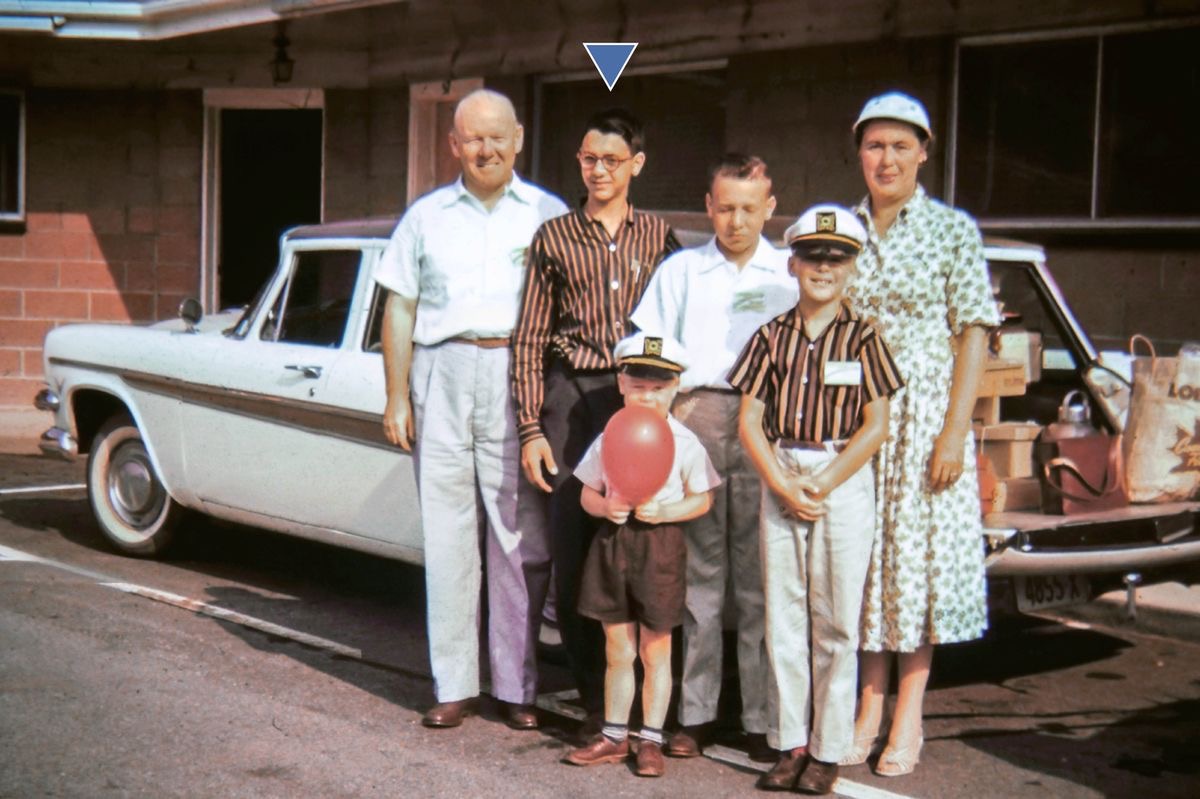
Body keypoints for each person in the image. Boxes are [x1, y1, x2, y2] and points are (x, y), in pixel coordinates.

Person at [376, 88, 568, 731]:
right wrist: (397, 395)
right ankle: (454, 684)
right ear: (453, 145)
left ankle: (517, 688)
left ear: (518, 139)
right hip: (442, 372)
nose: (485, 149)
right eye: (471, 139)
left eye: (497, 137)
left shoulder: (548, 212)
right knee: (450, 536)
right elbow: (398, 307)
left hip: (518, 375)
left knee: (520, 541)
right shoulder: (426, 217)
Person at [841, 91, 1000, 777]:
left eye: (900, 145)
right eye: (875, 145)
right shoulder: (840, 227)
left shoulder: (951, 229)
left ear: (924, 152)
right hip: (855, 419)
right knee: (864, 563)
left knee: (915, 566)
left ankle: (908, 712)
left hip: (924, 418)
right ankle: (865, 705)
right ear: (859, 153)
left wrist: (953, 431)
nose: (887, 158)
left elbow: (973, 334)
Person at [511, 108, 680, 723]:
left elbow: (675, 323)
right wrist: (532, 427)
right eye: (588, 158)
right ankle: (593, 700)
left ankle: (656, 701)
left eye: (611, 159)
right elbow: (529, 339)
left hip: (637, 397)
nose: (598, 170)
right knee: (577, 546)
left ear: (636, 164)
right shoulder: (554, 237)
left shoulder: (659, 237)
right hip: (571, 400)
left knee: (645, 539)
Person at [730, 205, 903, 794]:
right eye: (812, 256)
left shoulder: (865, 336)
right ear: (793, 262)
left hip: (841, 475)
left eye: (837, 258)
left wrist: (823, 483)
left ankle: (828, 751)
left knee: (834, 624)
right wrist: (781, 484)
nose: (823, 268)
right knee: (783, 618)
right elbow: (749, 420)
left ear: (852, 268)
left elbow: (876, 426)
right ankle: (789, 743)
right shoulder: (771, 336)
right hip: (783, 468)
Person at [630, 153, 796, 761]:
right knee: (701, 577)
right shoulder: (681, 271)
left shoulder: (787, 273)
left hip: (764, 420)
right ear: (708, 205)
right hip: (696, 413)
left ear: (769, 208)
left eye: (749, 208)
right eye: (725, 207)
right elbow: (650, 351)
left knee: (757, 579)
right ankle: (696, 713)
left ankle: (758, 717)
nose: (736, 220)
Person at [563, 333, 720, 778]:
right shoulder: (609, 435)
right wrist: (604, 506)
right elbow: (586, 494)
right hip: (614, 544)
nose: (647, 397)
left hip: (660, 548)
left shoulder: (684, 442)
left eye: (658, 388)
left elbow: (702, 499)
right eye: (638, 386)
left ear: (676, 389)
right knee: (617, 648)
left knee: (655, 650)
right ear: (621, 384)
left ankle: (650, 738)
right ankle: (614, 735)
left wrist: (667, 510)